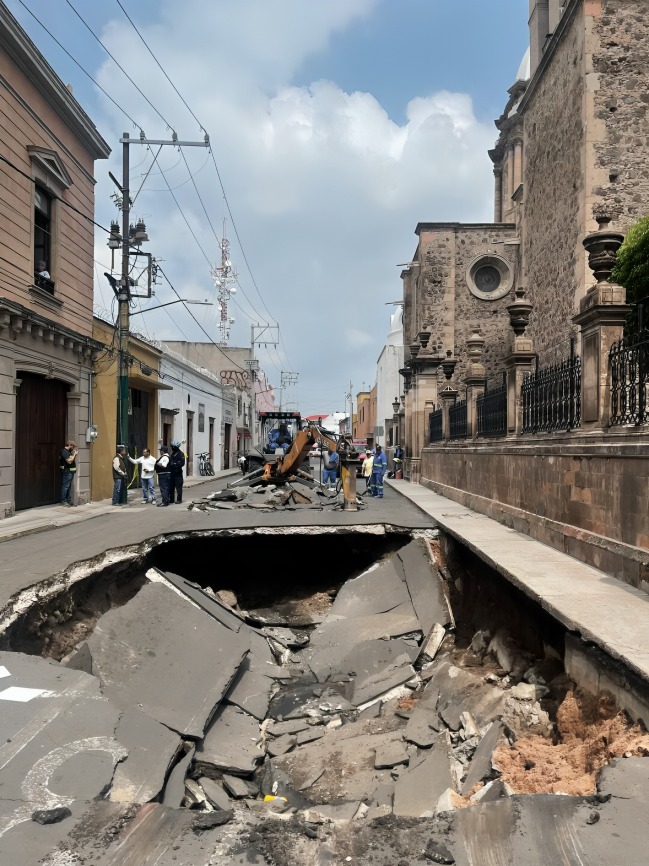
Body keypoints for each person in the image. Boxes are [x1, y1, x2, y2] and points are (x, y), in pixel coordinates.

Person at [59, 440, 78, 506]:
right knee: (65, 486)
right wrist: (74, 454)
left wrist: (74, 455)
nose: (73, 448)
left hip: (70, 471)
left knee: (68, 486)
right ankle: (63, 501)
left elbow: (71, 460)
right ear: (70, 445)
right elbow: (69, 461)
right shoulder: (64, 452)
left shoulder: (68, 452)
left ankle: (68, 500)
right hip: (67, 471)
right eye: (73, 446)